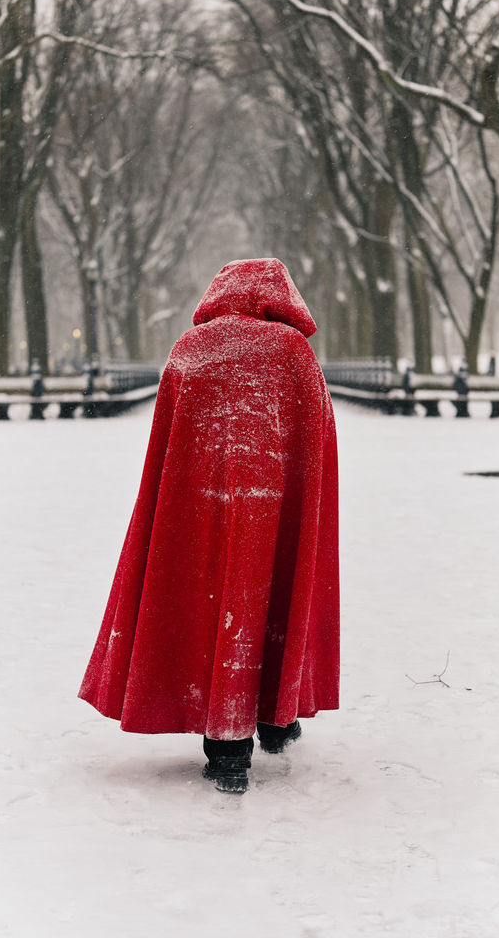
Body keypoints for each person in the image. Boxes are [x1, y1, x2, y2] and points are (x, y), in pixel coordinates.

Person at [78, 258, 339, 793]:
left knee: (206, 603)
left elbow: (165, 445)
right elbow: (319, 440)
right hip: (273, 503)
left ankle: (224, 748)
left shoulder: (188, 352)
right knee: (274, 593)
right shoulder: (294, 355)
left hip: (196, 507)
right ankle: (273, 717)